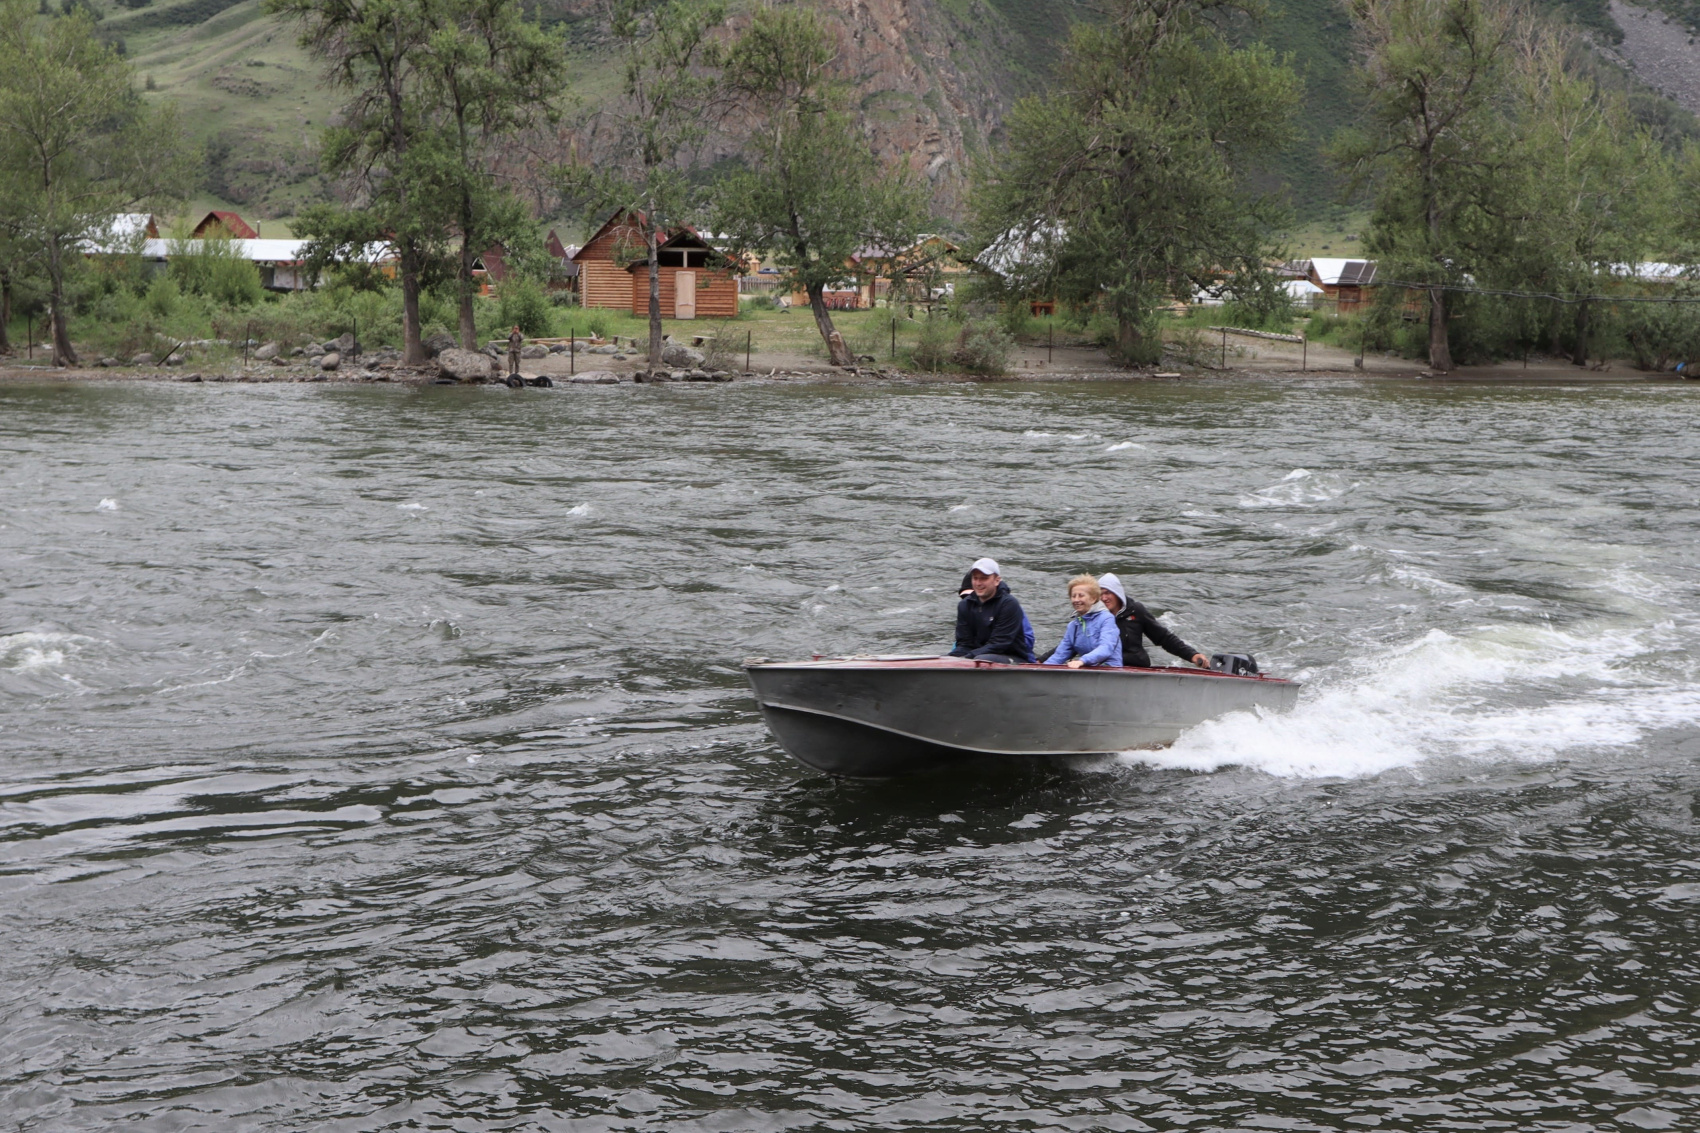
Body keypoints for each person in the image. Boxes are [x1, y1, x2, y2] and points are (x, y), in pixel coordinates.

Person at [1097, 572, 1209, 669]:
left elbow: (1163, 637)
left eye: (1108, 593)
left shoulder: (1136, 611)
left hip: (1136, 669)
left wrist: (1192, 655)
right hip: (1106, 669)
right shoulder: (1093, 616)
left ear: (1117, 593)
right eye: (1100, 594)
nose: (1104, 598)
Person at [950, 557, 1035, 664]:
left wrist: (967, 658)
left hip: (1012, 657)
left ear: (997, 581)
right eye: (975, 578)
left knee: (981, 660)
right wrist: (949, 659)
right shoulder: (964, 605)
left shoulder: (1009, 604)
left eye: (984, 578)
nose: (978, 583)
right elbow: (964, 644)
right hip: (978, 656)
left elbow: (999, 644)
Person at [1044, 575, 1122, 668]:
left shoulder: (1107, 619)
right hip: (1087, 670)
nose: (1076, 600)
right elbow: (1060, 655)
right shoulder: (1073, 626)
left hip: (1110, 671)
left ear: (1093, 599)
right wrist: (1042, 668)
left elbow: (1106, 648)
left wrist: (1082, 660)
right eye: (1073, 596)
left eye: (1081, 596)